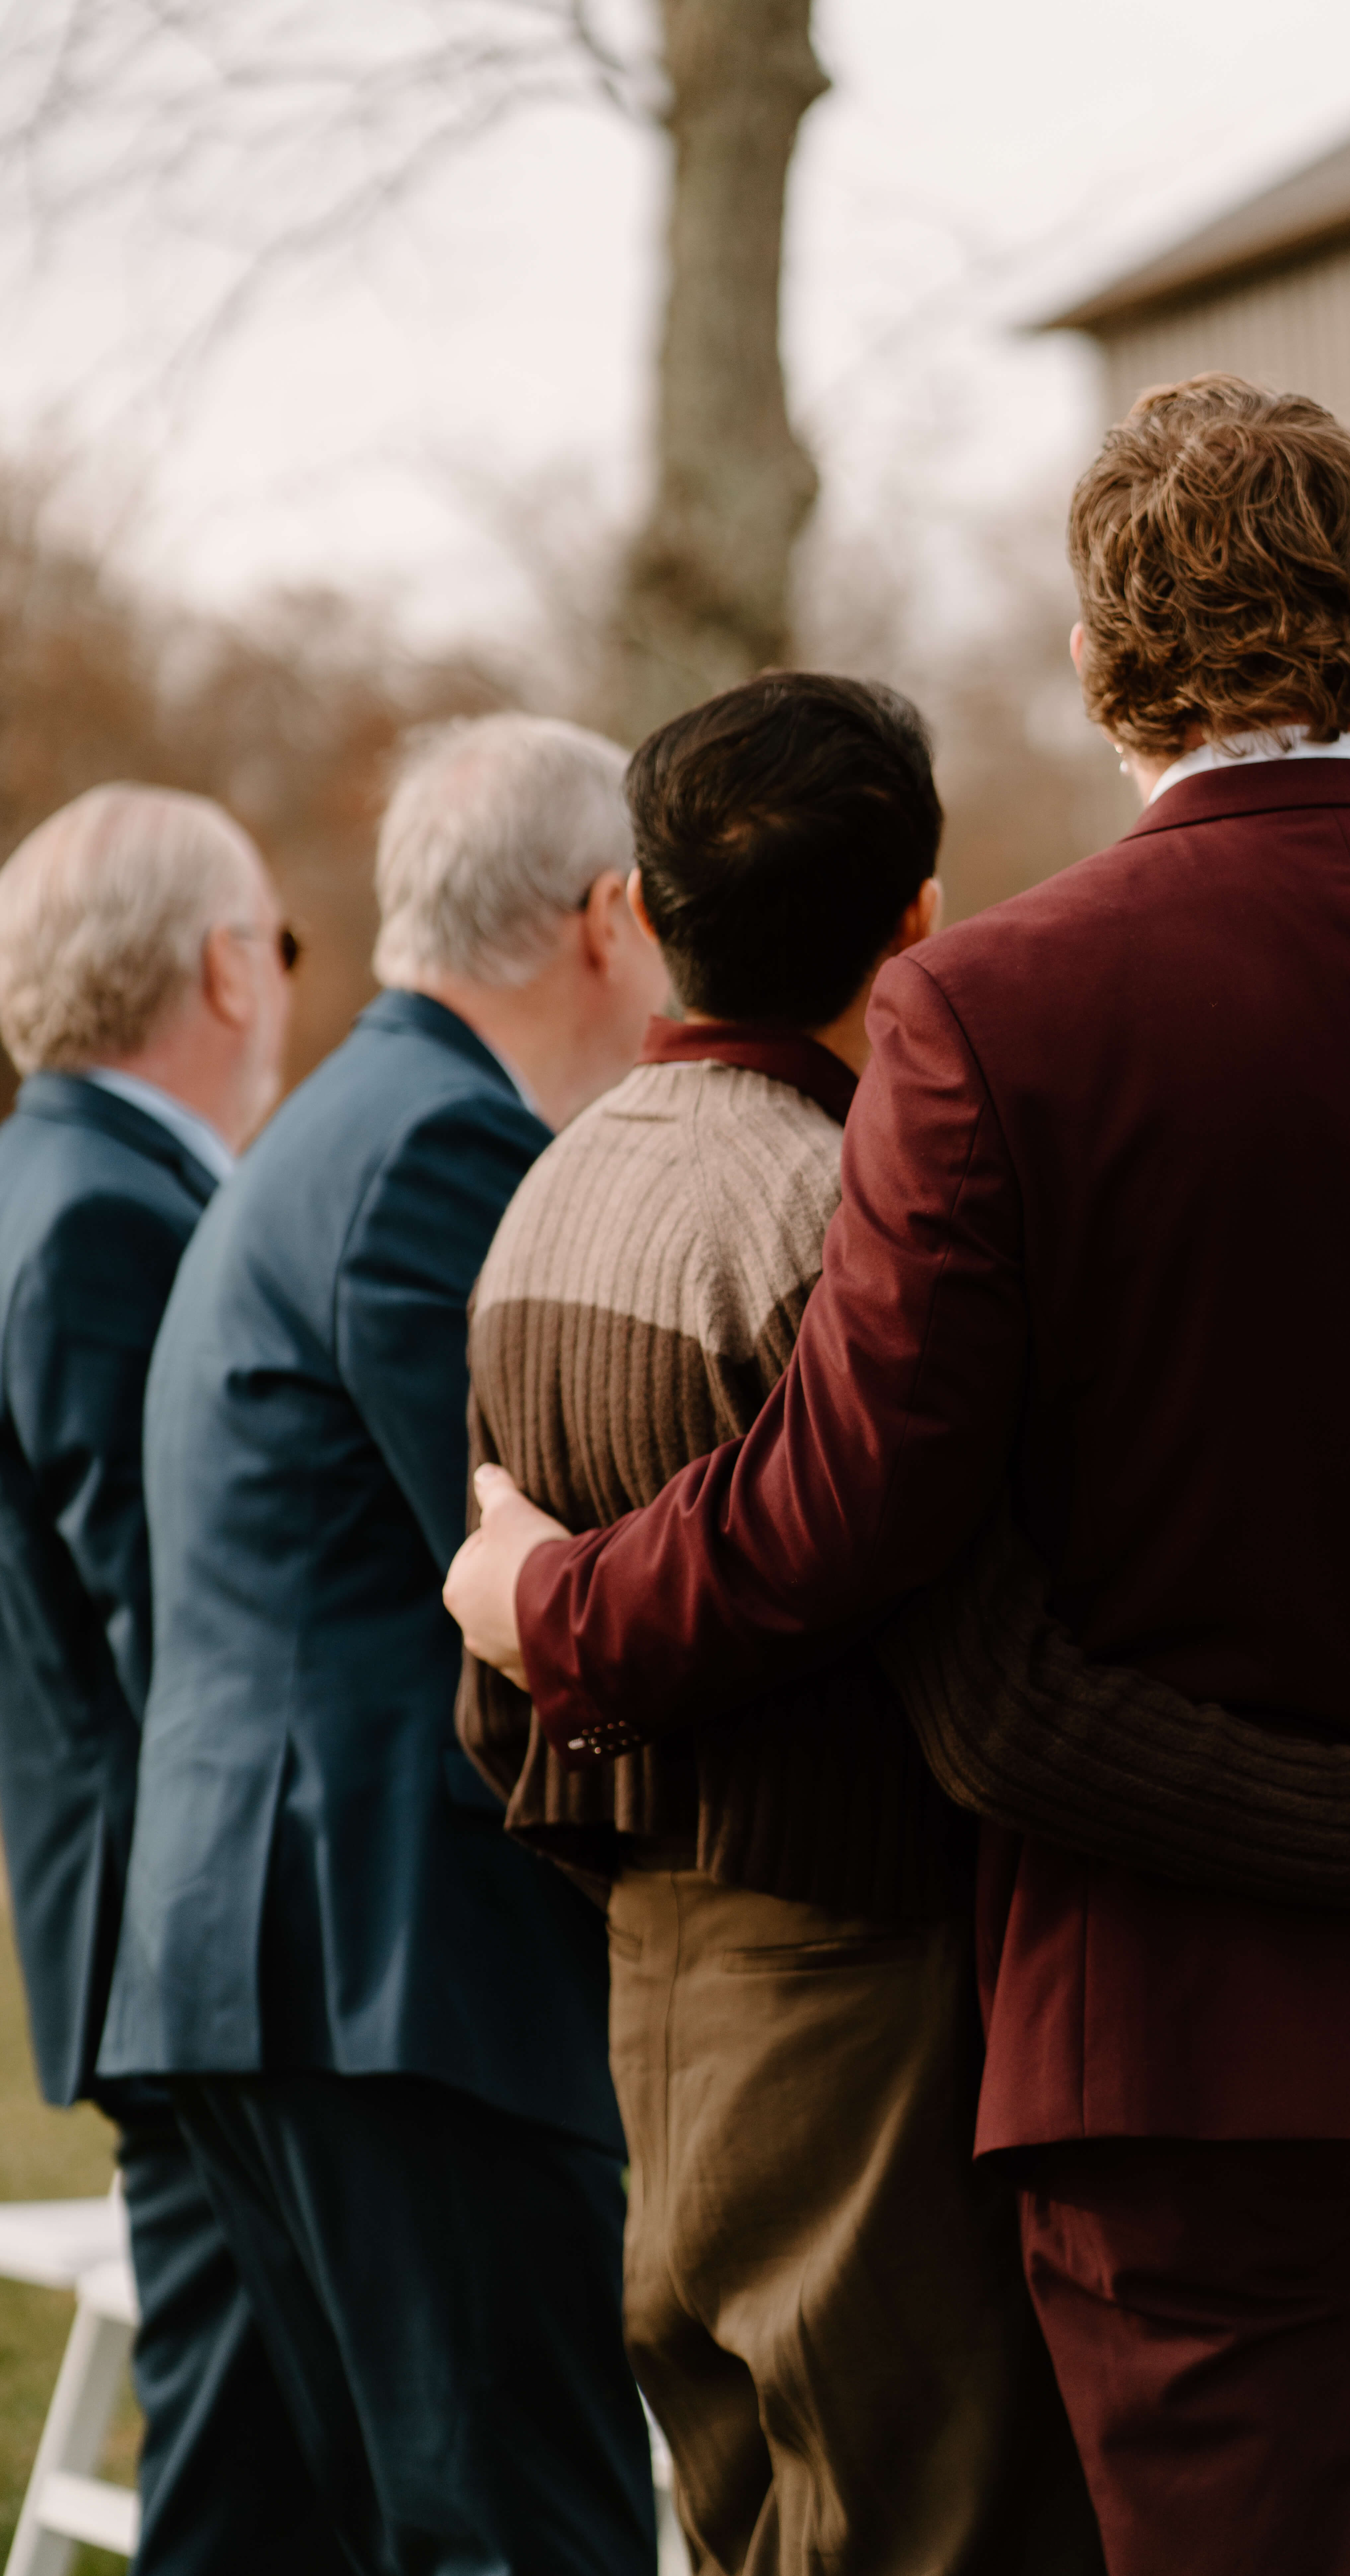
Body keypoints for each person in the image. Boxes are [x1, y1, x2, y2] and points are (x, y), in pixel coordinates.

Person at [445, 377, 1350, 2576]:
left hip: (1177, 2051)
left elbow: (830, 1519)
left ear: (1099, 673)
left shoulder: (989, 1025)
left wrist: (546, 1608)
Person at [98, 717, 667, 2576]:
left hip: (277, 1953)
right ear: (608, 917)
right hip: (383, 1960)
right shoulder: (442, 1145)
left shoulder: (341, 1115)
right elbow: (527, 1582)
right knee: (525, 2534)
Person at [0, 784, 338, 2574]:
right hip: (196, 1937)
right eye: (277, 943)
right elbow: (177, 1609)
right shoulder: (96, 1218)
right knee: (248, 2459)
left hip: (171, 1930)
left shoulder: (74, 1179)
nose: (283, 982)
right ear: (224, 966)